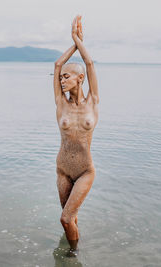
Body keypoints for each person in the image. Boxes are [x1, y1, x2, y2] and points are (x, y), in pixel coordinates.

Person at [53, 15, 99, 256]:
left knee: (65, 218)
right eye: (61, 78)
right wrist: (73, 43)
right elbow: (57, 65)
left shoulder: (93, 102)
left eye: (67, 77)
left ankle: (73, 255)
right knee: (71, 217)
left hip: (84, 171)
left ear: (80, 79)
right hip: (63, 170)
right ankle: (73, 245)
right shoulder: (60, 104)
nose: (61, 80)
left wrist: (78, 40)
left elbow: (89, 64)